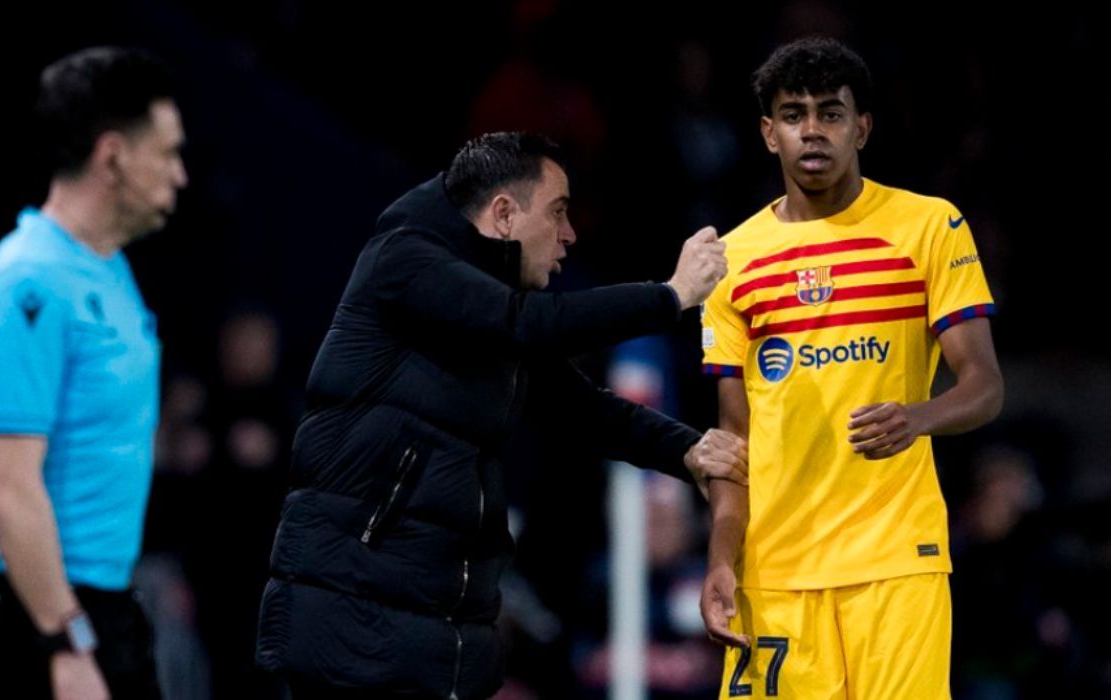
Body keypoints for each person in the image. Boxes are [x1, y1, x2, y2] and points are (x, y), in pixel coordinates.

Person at [256, 131, 748, 699]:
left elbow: (581, 407)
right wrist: (671, 295)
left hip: (432, 639)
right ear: (505, 214)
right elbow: (528, 324)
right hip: (352, 633)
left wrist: (687, 450)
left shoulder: (491, 311)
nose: (570, 235)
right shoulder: (408, 262)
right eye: (559, 213)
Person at [698, 37, 1003, 699]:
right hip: (774, 574)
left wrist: (916, 417)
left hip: (896, 563)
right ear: (767, 133)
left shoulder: (929, 228)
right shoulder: (732, 261)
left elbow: (983, 385)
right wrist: (722, 559)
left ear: (861, 127)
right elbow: (732, 444)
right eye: (793, 113)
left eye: (831, 113)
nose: (812, 129)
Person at [0, 46, 187, 700]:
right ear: (113, 156)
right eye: (168, 152)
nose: (180, 175)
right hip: (21, 608)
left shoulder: (109, 269)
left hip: (95, 602)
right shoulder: (27, 281)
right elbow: (5, 485)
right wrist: (65, 640)